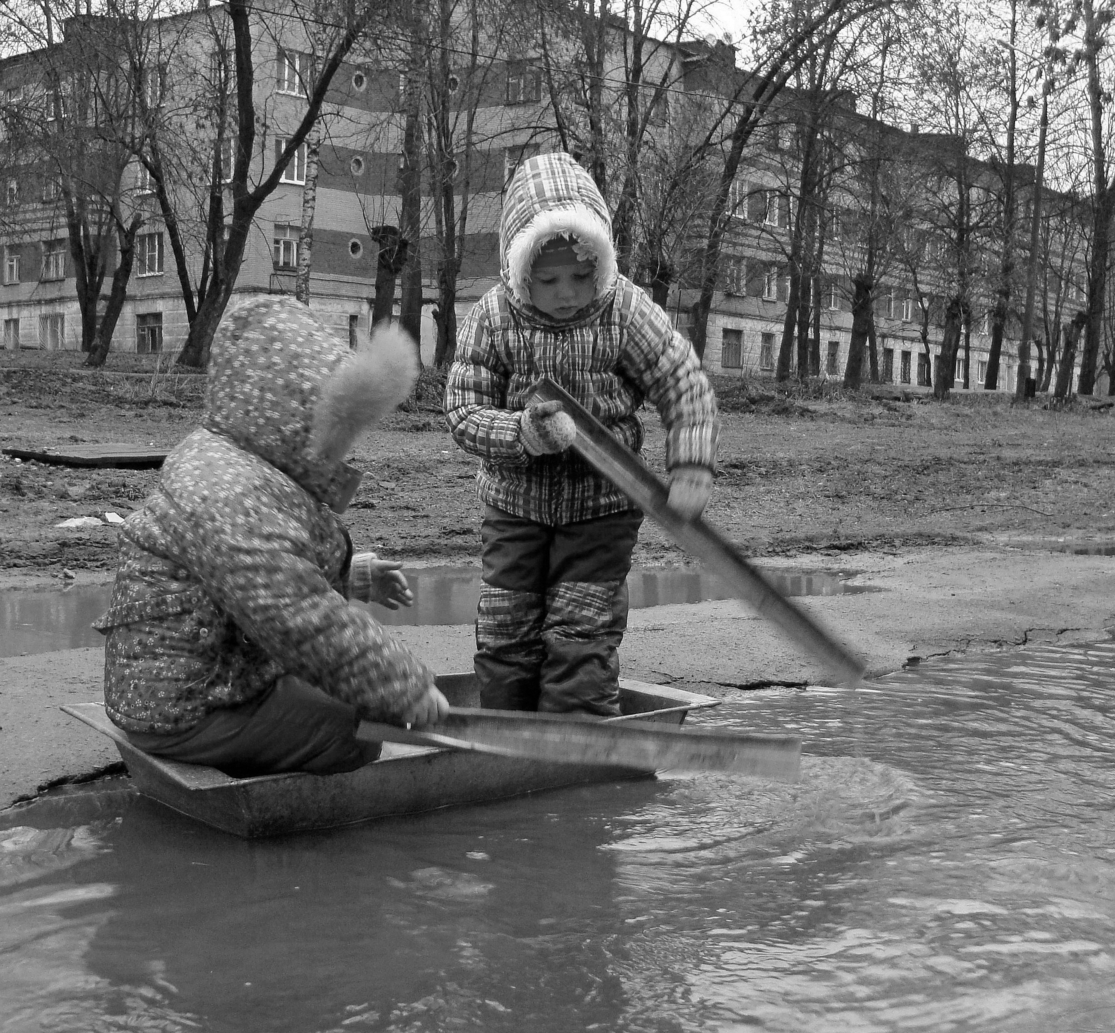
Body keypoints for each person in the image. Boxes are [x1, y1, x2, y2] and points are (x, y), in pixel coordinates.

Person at [95, 296, 449, 777]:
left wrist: (353, 576)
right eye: (340, 428)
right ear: (293, 416)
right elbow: (297, 615)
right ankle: (275, 804)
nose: (345, 446)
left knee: (328, 688)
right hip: (183, 707)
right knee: (353, 733)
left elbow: (270, 572)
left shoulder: (235, 462)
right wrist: (402, 687)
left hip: (191, 676)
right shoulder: (228, 491)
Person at [446, 151, 718, 716]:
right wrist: (523, 433)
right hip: (515, 508)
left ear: (602, 261)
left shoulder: (623, 310)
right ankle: (505, 740)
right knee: (506, 629)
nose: (567, 292)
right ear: (520, 270)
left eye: (581, 274)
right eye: (548, 279)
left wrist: (690, 464)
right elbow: (463, 412)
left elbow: (682, 379)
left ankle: (580, 746)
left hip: (603, 508)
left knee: (580, 629)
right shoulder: (494, 317)